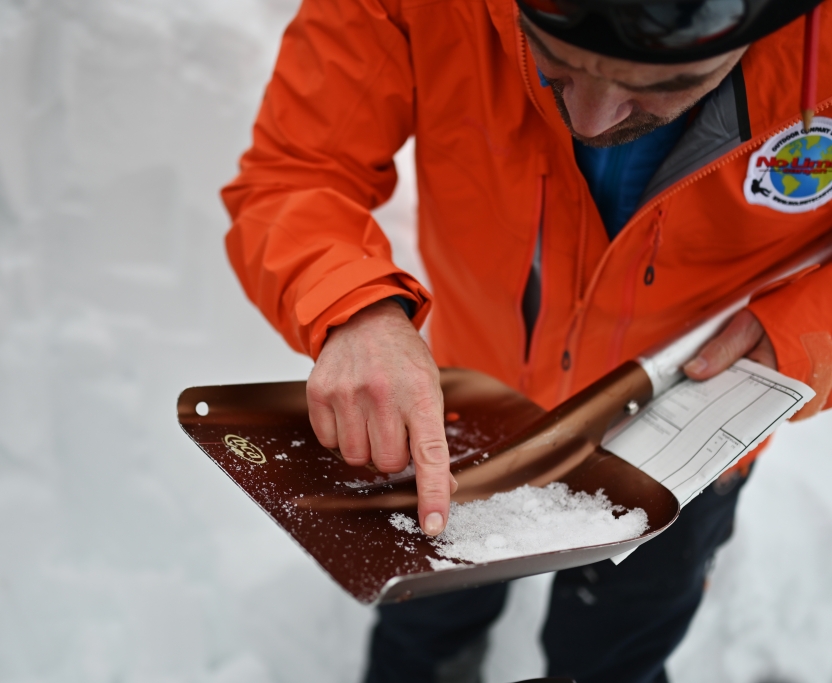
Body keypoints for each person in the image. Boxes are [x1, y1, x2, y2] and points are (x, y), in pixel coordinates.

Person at [222, 0, 832, 680]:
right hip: (474, 413)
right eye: (554, 68)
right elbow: (295, 171)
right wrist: (354, 310)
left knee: (614, 649)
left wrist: (805, 337)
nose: (593, 120)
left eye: (659, 86)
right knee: (426, 621)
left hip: (690, 441)